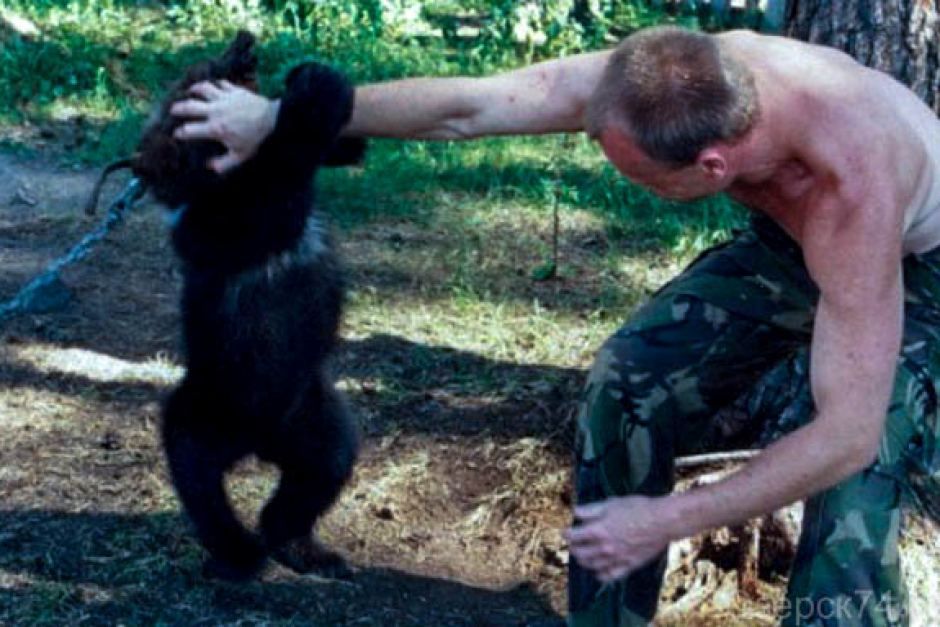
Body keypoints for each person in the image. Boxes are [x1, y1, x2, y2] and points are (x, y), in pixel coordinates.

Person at [171, 26, 940, 626]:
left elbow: (850, 431)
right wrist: (276, 119)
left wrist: (671, 517)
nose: (615, 176)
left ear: (709, 167)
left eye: (634, 173)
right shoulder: (674, 77)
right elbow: (471, 107)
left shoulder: (850, 181)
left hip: (917, 265)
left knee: (852, 496)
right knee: (626, 385)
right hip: (785, 242)